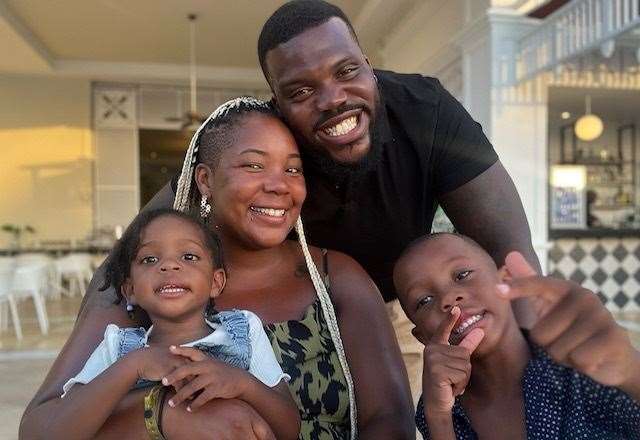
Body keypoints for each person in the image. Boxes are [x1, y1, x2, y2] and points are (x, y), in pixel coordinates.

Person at [21, 98, 414, 440]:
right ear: (206, 180)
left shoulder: (333, 275)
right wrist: (159, 413)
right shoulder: (150, 292)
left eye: (293, 170)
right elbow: (42, 428)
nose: (279, 185)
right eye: (254, 166)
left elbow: (391, 420)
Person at [254, 0, 540, 398]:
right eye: (300, 91)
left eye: (346, 70)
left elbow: (511, 255)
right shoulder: (258, 138)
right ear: (277, 104)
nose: (333, 99)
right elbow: (163, 226)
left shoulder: (426, 111)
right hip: (298, 316)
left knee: (411, 419)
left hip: (410, 311)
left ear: (368, 66)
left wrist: (539, 380)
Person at [50, 208, 299, 440]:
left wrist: (244, 385)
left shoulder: (243, 331)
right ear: (130, 289)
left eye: (189, 256)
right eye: (149, 259)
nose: (169, 265)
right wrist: (135, 364)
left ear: (216, 282)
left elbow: (289, 429)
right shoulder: (118, 347)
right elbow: (62, 431)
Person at [393, 232, 640, 439]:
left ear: (506, 279)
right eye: (424, 301)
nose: (448, 299)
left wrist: (630, 372)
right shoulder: (438, 407)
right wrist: (439, 419)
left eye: (462, 275)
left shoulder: (583, 368)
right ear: (422, 336)